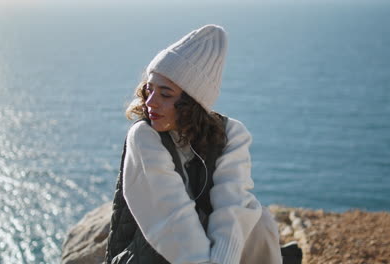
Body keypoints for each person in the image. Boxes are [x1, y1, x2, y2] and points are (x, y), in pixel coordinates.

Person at [105, 24, 283, 264]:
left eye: (165, 94)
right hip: (154, 251)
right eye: (149, 90)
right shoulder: (143, 137)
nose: (150, 102)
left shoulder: (231, 133)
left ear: (193, 103)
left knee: (259, 222)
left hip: (204, 246)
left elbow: (233, 204)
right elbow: (171, 220)